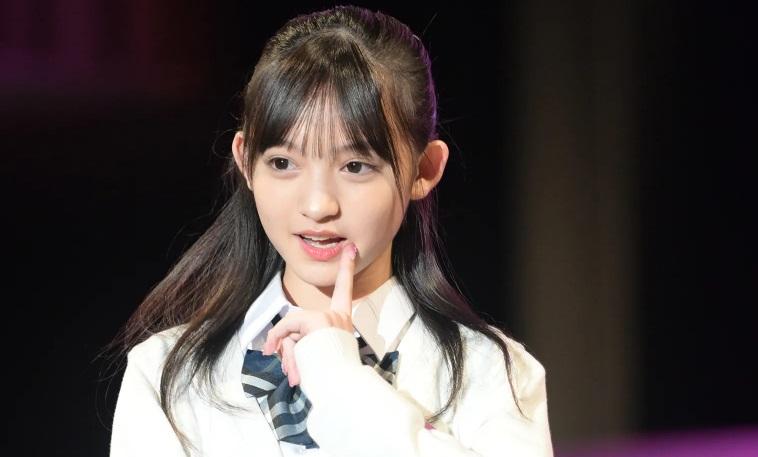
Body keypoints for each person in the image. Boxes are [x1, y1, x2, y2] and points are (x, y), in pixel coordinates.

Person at [109, 5, 553, 457]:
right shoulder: (167, 376)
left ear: (424, 169)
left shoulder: (490, 374)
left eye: (355, 166)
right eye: (283, 163)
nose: (318, 205)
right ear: (245, 161)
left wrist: (341, 382)